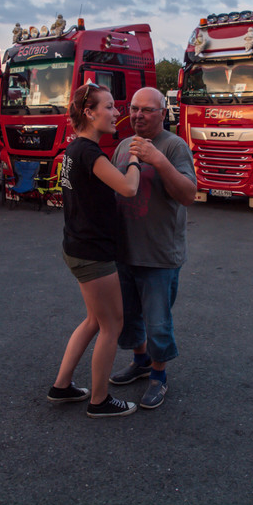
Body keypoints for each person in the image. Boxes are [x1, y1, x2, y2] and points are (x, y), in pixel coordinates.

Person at [48, 83, 142, 418]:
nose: (118, 113)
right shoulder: (90, 153)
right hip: (92, 253)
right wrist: (134, 156)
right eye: (110, 107)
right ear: (89, 112)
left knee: (93, 320)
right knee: (112, 325)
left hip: (76, 246)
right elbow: (129, 188)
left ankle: (62, 386)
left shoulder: (73, 151)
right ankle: (99, 400)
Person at [109, 87, 197, 409]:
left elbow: (188, 195)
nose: (138, 115)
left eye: (147, 110)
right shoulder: (121, 146)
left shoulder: (174, 147)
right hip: (125, 252)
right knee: (129, 317)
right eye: (134, 108)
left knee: (158, 321)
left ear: (163, 113)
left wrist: (157, 160)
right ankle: (141, 361)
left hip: (159, 256)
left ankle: (159, 376)